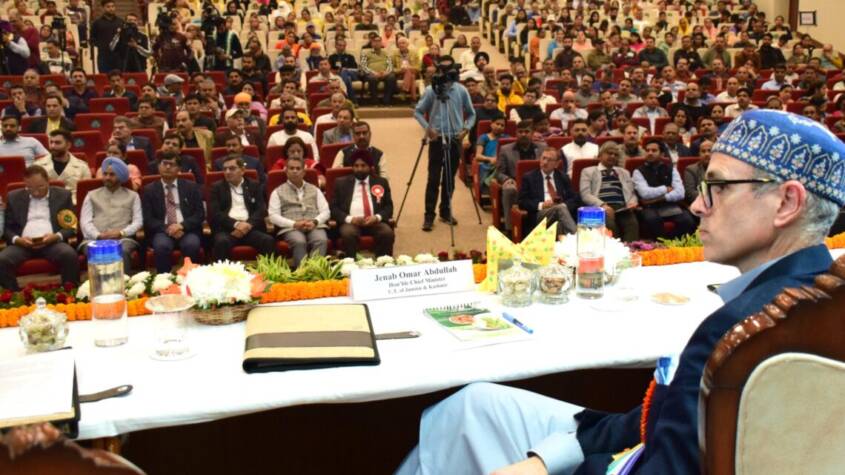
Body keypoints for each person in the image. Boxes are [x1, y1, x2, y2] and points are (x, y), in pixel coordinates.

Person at [397, 109, 845, 475]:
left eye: (719, 187)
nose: (697, 204)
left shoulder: (742, 331)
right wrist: (555, 451)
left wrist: (548, 466)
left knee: (460, 419)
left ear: (787, 202)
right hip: (639, 438)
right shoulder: (816, 300)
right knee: (473, 405)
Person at [414, 55, 476, 232]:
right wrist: (428, 129)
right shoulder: (431, 90)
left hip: (455, 138)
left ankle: (445, 210)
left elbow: (471, 114)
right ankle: (429, 215)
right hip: (437, 139)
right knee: (433, 178)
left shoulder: (461, 90)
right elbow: (418, 112)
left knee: (449, 178)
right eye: (444, 70)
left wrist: (466, 129)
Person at [0, 165, 80, 290]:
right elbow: (7, 228)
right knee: (2, 260)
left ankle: (71, 294)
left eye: (40, 187)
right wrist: (17, 239)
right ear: (25, 184)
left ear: (48, 181)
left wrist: (56, 236)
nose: (36, 192)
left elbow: (71, 226)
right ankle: (12, 297)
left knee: (69, 255)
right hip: (22, 244)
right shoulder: (13, 197)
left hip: (52, 243)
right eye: (30, 188)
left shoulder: (63, 195)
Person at [141, 152, 205, 273]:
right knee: (161, 246)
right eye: (164, 163)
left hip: (187, 229)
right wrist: (169, 228)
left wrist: (181, 226)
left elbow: (199, 214)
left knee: (191, 245)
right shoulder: (149, 190)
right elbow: (148, 218)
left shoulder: (191, 187)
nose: (168, 167)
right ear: (158, 166)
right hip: (162, 230)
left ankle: (191, 279)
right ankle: (164, 280)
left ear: (179, 169)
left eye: (172, 164)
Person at [79, 157, 143, 272]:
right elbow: (85, 222)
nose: (107, 177)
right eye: (105, 174)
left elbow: (138, 222)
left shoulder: (133, 196)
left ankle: (125, 282)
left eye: (112, 175)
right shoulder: (91, 195)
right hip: (93, 239)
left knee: (122, 251)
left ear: (121, 176)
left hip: (123, 239)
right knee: (95, 251)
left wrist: (121, 233)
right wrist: (98, 236)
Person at [208, 155, 275, 262]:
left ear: (242, 170)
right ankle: (222, 273)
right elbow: (215, 213)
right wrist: (237, 224)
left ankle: (268, 272)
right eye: (225, 169)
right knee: (221, 242)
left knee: (268, 240)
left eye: (232, 168)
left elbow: (261, 209)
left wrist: (248, 225)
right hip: (227, 229)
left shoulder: (254, 185)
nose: (227, 172)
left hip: (250, 228)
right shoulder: (216, 187)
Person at [268, 153, 330, 267]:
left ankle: (315, 272)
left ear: (304, 172)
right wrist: (294, 224)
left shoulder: (315, 189)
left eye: (298, 168)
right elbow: (273, 216)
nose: (295, 171)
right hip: (291, 227)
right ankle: (301, 273)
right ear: (286, 171)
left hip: (314, 225)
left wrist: (315, 221)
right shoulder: (277, 192)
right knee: (299, 241)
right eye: (291, 168)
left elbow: (326, 211)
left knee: (321, 240)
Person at [330, 149, 394, 257]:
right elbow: (334, 208)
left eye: (363, 165)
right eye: (356, 166)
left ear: (370, 167)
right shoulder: (341, 183)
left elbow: (389, 207)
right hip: (351, 223)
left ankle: (382, 264)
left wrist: (376, 217)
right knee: (348, 234)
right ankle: (352, 264)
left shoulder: (381, 182)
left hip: (375, 222)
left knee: (386, 233)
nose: (359, 169)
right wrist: (351, 219)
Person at [633, 138, 697, 239]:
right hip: (650, 207)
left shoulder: (671, 169)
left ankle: (673, 244)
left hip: (670, 205)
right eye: (647, 150)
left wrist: (659, 198)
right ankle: (661, 245)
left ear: (662, 154)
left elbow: (680, 193)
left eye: (654, 150)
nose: (650, 153)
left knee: (687, 220)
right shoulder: (638, 171)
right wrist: (665, 189)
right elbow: (645, 193)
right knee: (652, 220)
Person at [579, 141, 640, 242]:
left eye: (615, 155)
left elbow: (631, 193)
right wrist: (602, 205)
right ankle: (614, 250)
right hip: (599, 208)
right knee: (610, 225)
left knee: (632, 223)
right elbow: (585, 195)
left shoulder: (624, 172)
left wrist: (632, 203)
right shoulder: (588, 171)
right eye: (609, 153)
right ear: (600, 155)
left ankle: (629, 250)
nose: (612, 156)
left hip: (621, 208)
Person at [496, 120, 547, 232]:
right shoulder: (505, 149)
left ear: (532, 133)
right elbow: (498, 173)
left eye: (527, 132)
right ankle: (510, 229)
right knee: (509, 189)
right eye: (520, 132)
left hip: (538, 182)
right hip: (516, 183)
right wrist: (507, 179)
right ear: (516, 133)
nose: (523, 134)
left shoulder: (543, 148)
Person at [517, 147, 578, 238]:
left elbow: (574, 199)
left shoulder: (563, 177)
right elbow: (522, 201)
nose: (545, 162)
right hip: (539, 215)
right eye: (543, 158)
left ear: (556, 164)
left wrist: (564, 205)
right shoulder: (529, 177)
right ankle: (577, 238)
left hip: (560, 213)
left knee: (559, 223)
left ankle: (565, 245)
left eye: (549, 160)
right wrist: (541, 205)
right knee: (559, 209)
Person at [32, 130, 91, 204]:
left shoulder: (82, 167)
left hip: (73, 204)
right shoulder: (38, 165)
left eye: (57, 143)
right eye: (51, 142)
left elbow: (87, 193)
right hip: (46, 204)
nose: (53, 146)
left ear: (68, 145)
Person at [360, 37, 396, 106]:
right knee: (372, 78)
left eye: (379, 41)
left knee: (392, 77)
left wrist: (386, 72)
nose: (377, 43)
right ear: (372, 44)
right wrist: (374, 73)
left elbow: (390, 65)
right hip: (372, 74)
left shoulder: (386, 53)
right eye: (375, 41)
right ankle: (375, 101)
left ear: (381, 43)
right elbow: (363, 66)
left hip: (384, 73)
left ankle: (386, 100)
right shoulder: (366, 53)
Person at [90, 0, 122, 73]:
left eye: (113, 6)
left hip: (118, 56)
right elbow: (92, 39)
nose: (111, 9)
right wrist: (101, 45)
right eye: (108, 7)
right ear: (103, 8)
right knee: (104, 76)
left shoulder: (120, 22)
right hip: (103, 57)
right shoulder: (97, 23)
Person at [683, 139, 713, 204]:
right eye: (703, 151)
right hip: (700, 204)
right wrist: (712, 197)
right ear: (699, 154)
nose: (707, 154)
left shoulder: (723, 169)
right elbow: (690, 194)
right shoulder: (690, 170)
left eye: (709, 151)